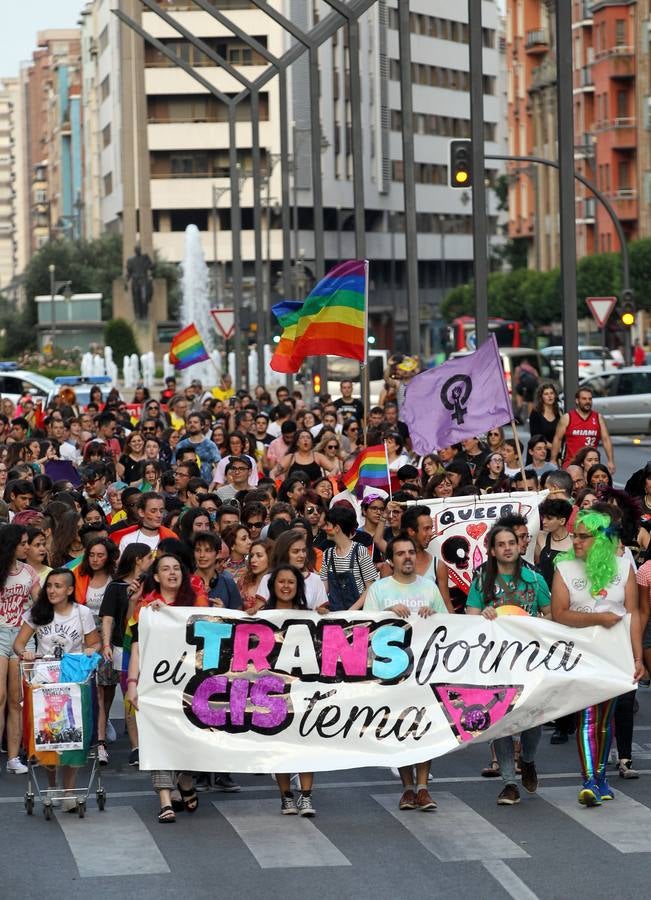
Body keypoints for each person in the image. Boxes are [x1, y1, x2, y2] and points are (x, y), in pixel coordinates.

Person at [551, 510, 644, 806]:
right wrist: (599, 618)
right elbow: (560, 613)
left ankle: (601, 778)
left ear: (600, 539)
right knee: (588, 716)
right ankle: (590, 779)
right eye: (574, 535)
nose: (575, 541)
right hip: (581, 654)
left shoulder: (623, 566)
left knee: (606, 717)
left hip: (615, 655)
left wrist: (637, 657)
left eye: (582, 537)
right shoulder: (564, 568)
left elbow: (633, 613)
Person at [467, 525, 551, 805]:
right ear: (492, 550)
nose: (507, 548)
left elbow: (550, 616)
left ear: (519, 546)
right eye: (500, 544)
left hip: (529, 662)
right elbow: (470, 618)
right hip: (494, 663)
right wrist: (483, 616)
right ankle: (509, 782)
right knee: (499, 721)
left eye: (511, 543)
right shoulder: (482, 581)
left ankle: (527, 759)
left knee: (533, 719)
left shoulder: (535, 580)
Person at [125, 554, 209, 822]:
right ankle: (164, 799)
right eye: (165, 569)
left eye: (177, 568)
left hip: (192, 684)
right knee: (157, 738)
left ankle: (184, 777)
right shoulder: (146, 608)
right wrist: (132, 684)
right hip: (156, 685)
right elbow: (137, 649)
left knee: (190, 737)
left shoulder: (195, 603)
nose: (172, 573)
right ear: (157, 576)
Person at [363, 533, 444, 811]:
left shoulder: (430, 588)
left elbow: (447, 623)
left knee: (423, 728)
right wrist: (386, 612)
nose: (407, 557)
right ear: (391, 560)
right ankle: (407, 787)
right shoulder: (380, 589)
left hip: (424, 670)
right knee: (399, 728)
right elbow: (365, 626)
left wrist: (433, 616)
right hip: (391, 672)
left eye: (411, 552)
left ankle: (423, 788)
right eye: (400, 553)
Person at [14, 568, 100, 810]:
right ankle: (51, 786)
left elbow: (94, 641)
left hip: (74, 680)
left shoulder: (81, 613)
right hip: (45, 680)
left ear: (70, 590)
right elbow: (19, 643)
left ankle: (69, 790)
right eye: (49, 585)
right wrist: (26, 652)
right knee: (49, 736)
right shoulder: (37, 613)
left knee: (73, 736)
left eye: (58, 586)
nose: (52, 590)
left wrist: (91, 650)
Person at [264, 564, 317, 816]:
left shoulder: (311, 615)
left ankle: (306, 797)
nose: (286, 586)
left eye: (291, 583)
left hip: (304, 688)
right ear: (273, 585)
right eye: (281, 581)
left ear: (298, 588)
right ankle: (286, 797)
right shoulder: (261, 615)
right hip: (271, 690)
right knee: (280, 743)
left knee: (305, 742)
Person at [99, 543, 153, 768]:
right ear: (138, 559)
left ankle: (150, 743)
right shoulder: (116, 587)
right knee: (130, 696)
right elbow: (110, 618)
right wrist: (106, 644)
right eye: (149, 556)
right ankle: (136, 747)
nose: (152, 560)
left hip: (151, 648)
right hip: (125, 647)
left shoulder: (152, 585)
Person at [73, 537, 120, 765]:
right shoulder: (78, 577)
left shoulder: (116, 579)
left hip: (108, 636)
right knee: (94, 689)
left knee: (107, 689)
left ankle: (103, 721)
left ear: (109, 557)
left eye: (100, 555)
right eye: (91, 554)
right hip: (85, 637)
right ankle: (98, 740)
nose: (95, 559)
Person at [0, 524, 40, 775]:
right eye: (23, 543)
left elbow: (40, 603)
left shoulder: (29, 572)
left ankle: (14, 758)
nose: (27, 547)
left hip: (23, 636)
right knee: (0, 696)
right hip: (0, 632)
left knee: (17, 700)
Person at [321, 505, 378, 610]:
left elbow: (371, 586)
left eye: (327, 524)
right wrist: (320, 606)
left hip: (358, 615)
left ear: (337, 528)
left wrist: (351, 611)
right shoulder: (327, 554)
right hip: (335, 614)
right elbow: (324, 587)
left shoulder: (360, 551)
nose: (324, 528)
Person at [551, 387, 615, 474]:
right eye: (584, 399)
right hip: (571, 465)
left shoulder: (598, 418)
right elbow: (557, 439)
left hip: (591, 465)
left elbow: (606, 439)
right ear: (577, 401)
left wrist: (610, 461)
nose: (587, 401)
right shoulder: (567, 417)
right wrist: (553, 460)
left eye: (590, 399)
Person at [529, 382, 561, 450]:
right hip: (540, 453)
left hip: (556, 454)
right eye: (546, 394)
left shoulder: (559, 412)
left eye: (552, 393)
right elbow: (536, 437)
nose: (550, 396)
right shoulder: (535, 413)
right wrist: (555, 449)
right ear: (541, 397)